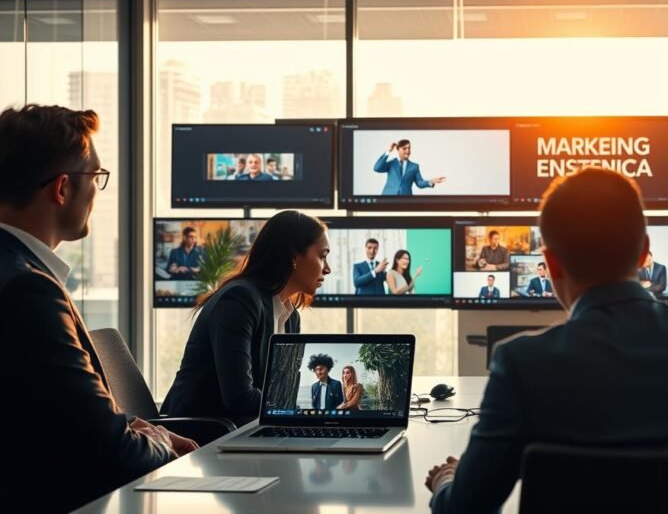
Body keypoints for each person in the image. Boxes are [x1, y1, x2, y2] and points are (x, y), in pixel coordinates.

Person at [425, 168, 668, 513]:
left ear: (550, 263)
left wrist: (446, 479)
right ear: (644, 252)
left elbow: (466, 508)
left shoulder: (522, 363)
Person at [0, 104, 197, 513]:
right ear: (62, 189)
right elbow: (111, 455)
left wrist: (128, 425)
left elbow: (46, 412)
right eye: (96, 177)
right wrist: (154, 438)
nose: (97, 190)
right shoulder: (28, 291)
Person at [162, 210, 331, 425]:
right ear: (294, 257)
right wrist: (309, 406)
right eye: (322, 255)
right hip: (202, 433)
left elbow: (282, 392)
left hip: (245, 428)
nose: (327, 268)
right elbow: (239, 398)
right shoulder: (239, 300)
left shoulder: (290, 317)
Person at [373, 139, 446, 196]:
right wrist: (388, 151)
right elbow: (377, 168)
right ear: (398, 150)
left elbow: (419, 183)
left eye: (409, 148)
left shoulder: (414, 166)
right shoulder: (392, 163)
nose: (408, 151)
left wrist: (431, 182)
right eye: (404, 148)